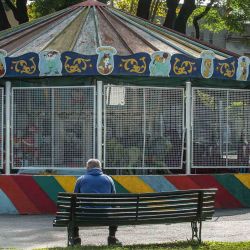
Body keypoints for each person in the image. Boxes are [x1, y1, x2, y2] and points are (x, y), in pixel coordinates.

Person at [73, 158, 122, 246]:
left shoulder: (81, 179)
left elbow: (75, 199)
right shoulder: (109, 179)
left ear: (88, 168)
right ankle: (112, 237)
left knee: (71, 211)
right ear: (100, 168)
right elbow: (114, 198)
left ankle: (76, 238)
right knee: (116, 209)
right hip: (106, 214)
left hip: (86, 214)